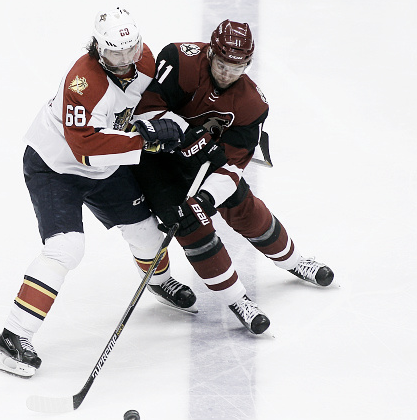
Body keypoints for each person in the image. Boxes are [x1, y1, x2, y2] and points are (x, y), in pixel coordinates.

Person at [0, 7, 198, 378]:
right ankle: (11, 338)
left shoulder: (143, 59)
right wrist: (148, 137)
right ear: (99, 48)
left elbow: (149, 103)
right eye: (115, 53)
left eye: (131, 49)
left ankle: (160, 282)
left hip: (104, 168)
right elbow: (85, 147)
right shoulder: (82, 83)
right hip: (56, 167)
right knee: (65, 248)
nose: (126, 60)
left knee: (147, 234)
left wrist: (189, 124)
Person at [131, 19, 334, 335]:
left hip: (203, 160)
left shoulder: (252, 104)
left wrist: (208, 196)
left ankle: (294, 261)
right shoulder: (180, 61)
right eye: (222, 63)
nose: (227, 72)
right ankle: (238, 299)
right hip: (155, 160)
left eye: (236, 67)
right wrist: (186, 136)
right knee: (189, 224)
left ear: (248, 64)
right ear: (210, 51)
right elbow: (144, 114)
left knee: (244, 206)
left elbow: (234, 164)